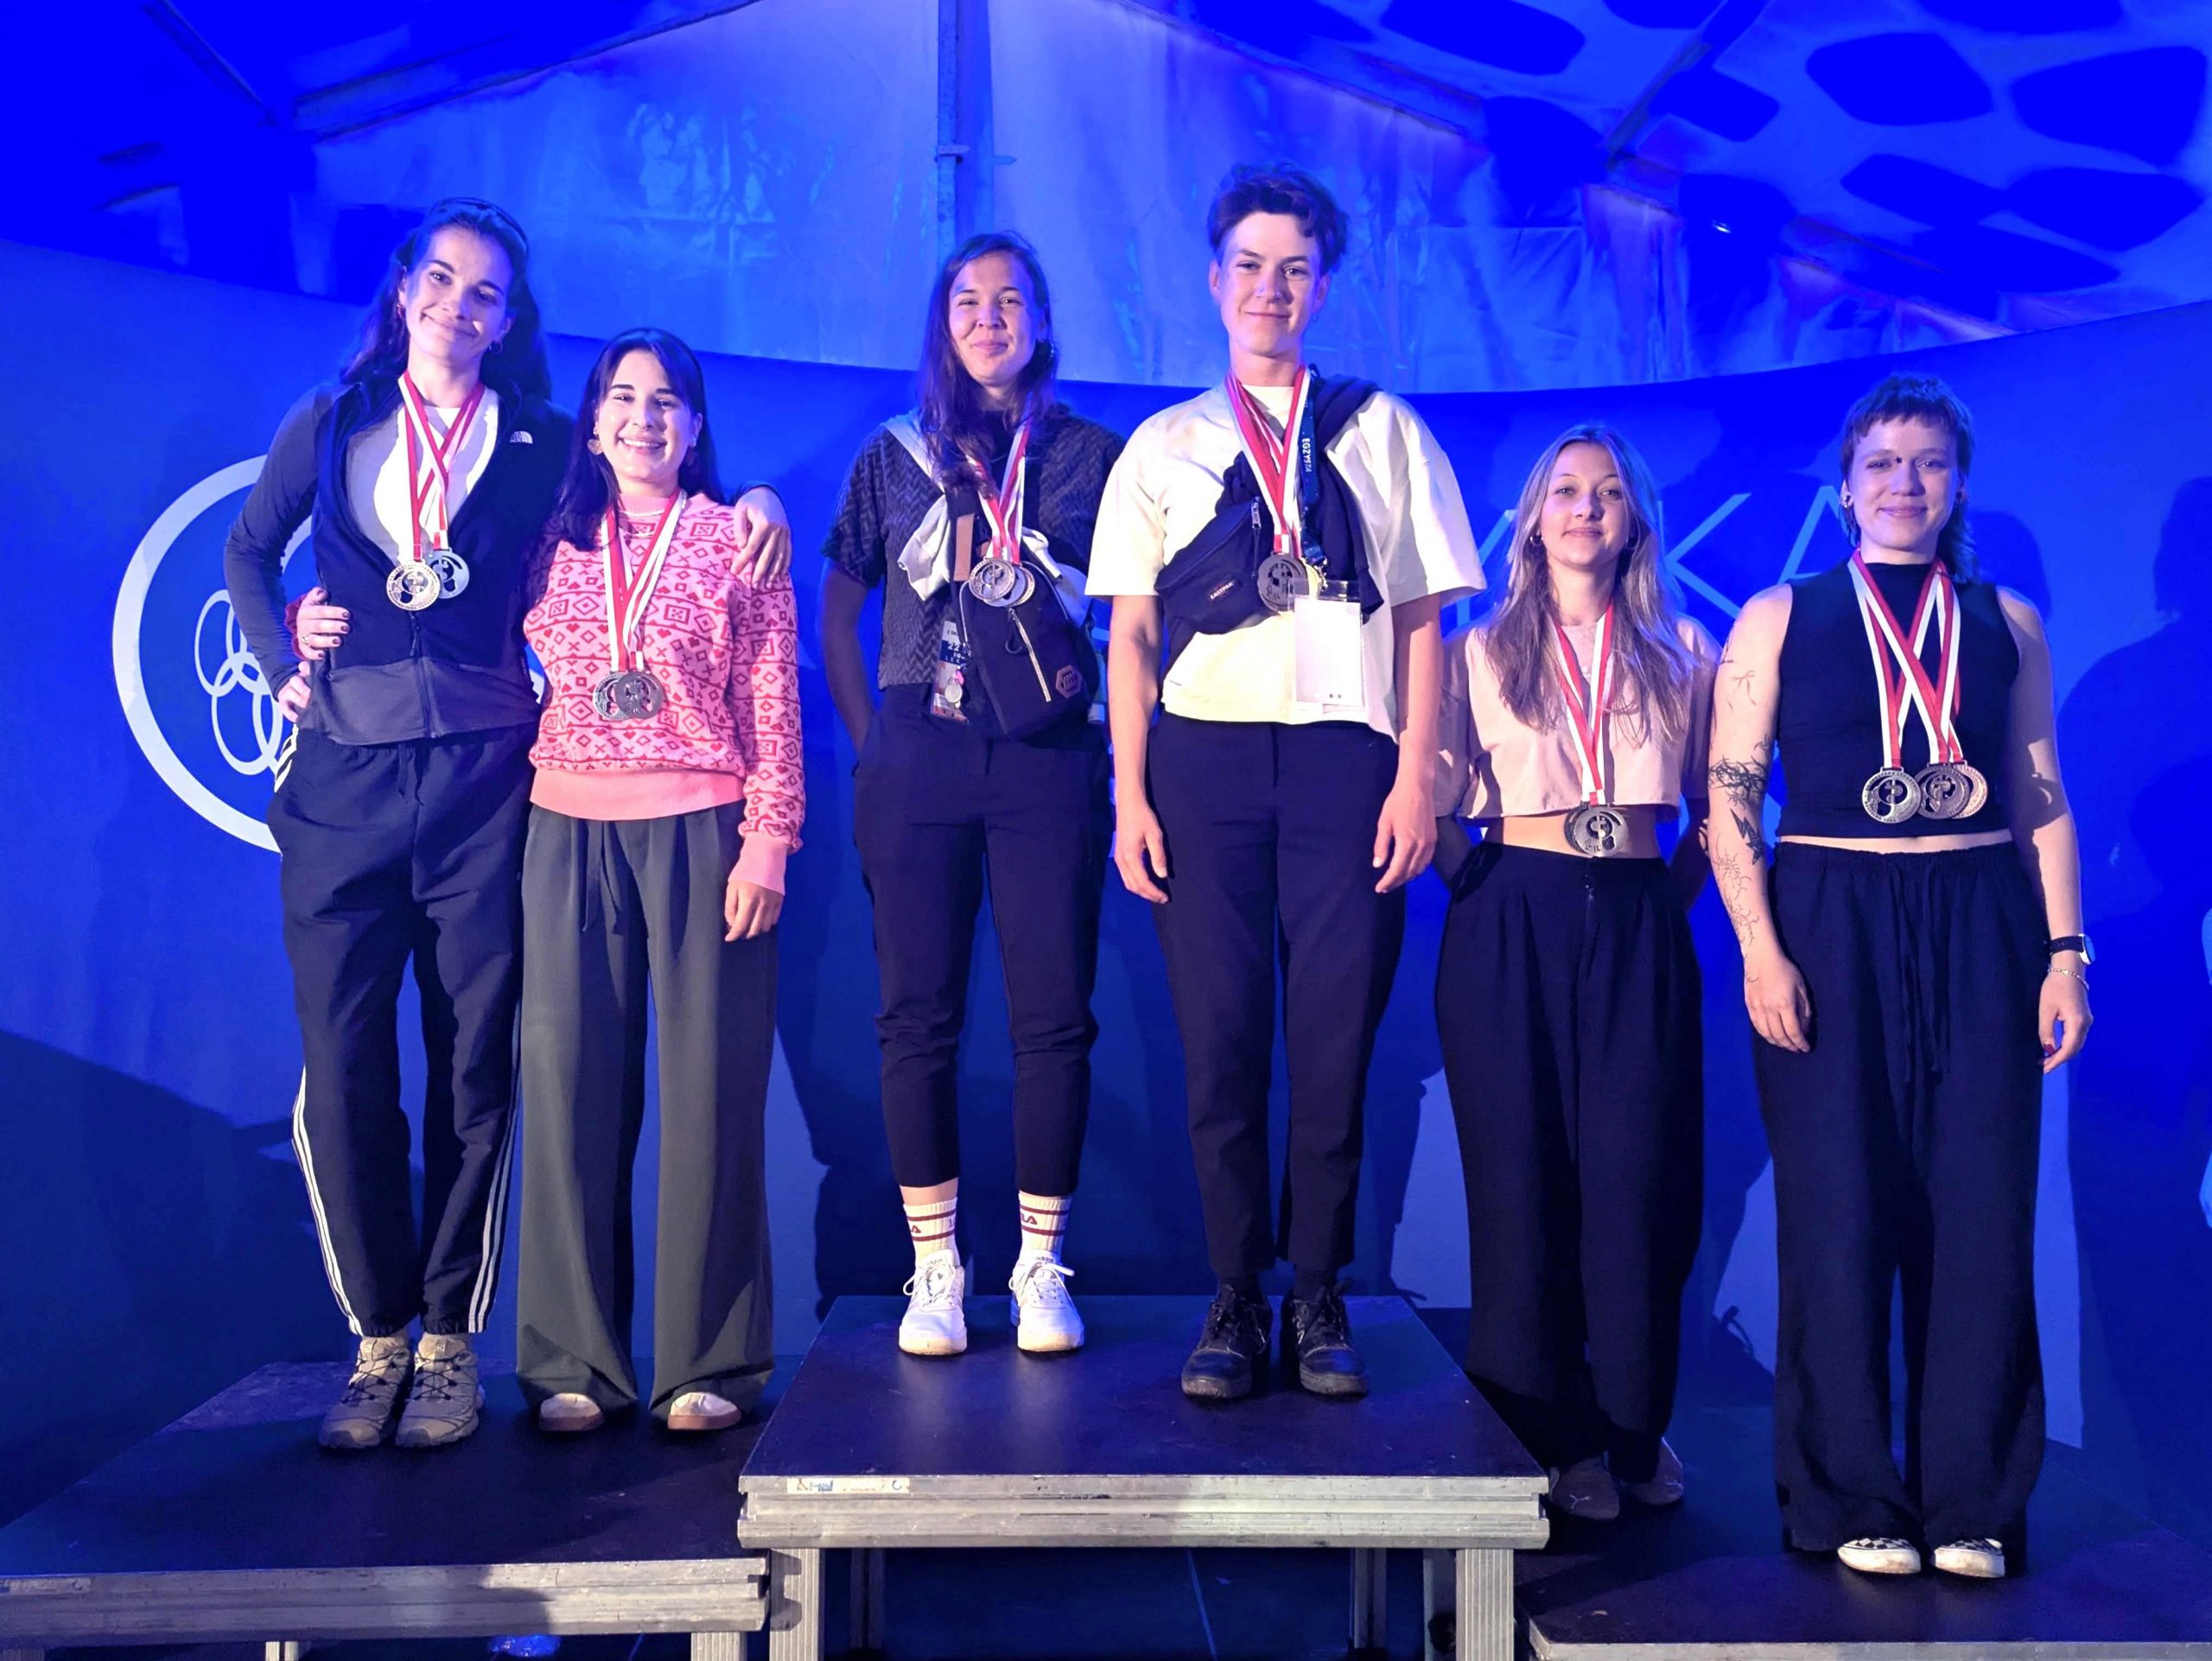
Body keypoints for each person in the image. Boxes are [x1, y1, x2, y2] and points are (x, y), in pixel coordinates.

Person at [1090, 164, 1482, 1402]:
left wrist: (1416, 780)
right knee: (1219, 1042)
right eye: (1251, 267)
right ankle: (1233, 1292)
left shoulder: (1382, 429)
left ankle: (1318, 1290)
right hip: (1201, 764)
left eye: (1295, 269)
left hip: (1344, 764)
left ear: (1322, 287)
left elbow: (1423, 621)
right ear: (1215, 282)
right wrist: (1130, 796)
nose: (1271, 289)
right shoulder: (1165, 444)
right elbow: (1131, 636)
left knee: (1332, 1041)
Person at [1707, 374, 2093, 1580]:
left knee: (1980, 1210)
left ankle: (1973, 1501)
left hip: (1980, 918)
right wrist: (1762, 949)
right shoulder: (1779, 615)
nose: (1904, 483)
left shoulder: (2008, 619)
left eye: (1927, 462)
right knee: (1836, 1209)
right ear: (1846, 486)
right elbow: (1729, 799)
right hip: (1828, 917)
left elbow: (2041, 795)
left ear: (1957, 482)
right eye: (1882, 462)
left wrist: (2065, 953)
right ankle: (1847, 1496)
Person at [222, 198, 567, 1451]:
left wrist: (754, 510)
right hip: (343, 786)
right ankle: (377, 1337)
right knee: (345, 1068)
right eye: (442, 279)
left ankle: (449, 1340)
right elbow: (247, 551)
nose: (459, 305)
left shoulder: (542, 440)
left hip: (484, 781)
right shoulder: (333, 417)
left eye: (486, 292)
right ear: (406, 287)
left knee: (473, 1066)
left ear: (508, 320)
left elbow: (650, 505)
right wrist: (282, 658)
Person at [819, 232, 1123, 1357]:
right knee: (917, 1017)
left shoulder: (1093, 455)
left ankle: (1040, 1267)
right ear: (941, 324)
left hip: (1048, 749)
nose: (988, 319)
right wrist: (874, 744)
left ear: (1041, 320)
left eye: (1009, 301)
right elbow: (837, 608)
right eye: (967, 302)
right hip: (920, 746)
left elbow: (1139, 617)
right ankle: (935, 1269)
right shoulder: (892, 456)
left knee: (1054, 1016)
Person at [508, 328, 801, 1434]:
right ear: (592, 423)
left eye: (667, 399)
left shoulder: (739, 537)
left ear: (695, 424)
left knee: (711, 1098)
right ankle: (572, 1360)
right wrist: (307, 624)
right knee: (568, 1093)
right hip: (564, 828)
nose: (645, 417)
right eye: (624, 397)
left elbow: (772, 696)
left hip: (703, 830)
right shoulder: (541, 539)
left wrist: (767, 841)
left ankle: (708, 1363)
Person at [1432, 425, 1714, 1518]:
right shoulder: (1473, 650)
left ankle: (1631, 1424)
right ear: (1531, 518)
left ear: (1633, 516)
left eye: (1606, 492)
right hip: (1511, 910)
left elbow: (1718, 810)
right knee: (1520, 1183)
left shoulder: (1683, 647)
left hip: (1639, 912)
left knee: (1639, 1183)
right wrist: (1490, 890)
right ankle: (1548, 1437)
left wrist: (1651, 905)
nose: (1584, 507)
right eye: (1563, 490)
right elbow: (1433, 803)